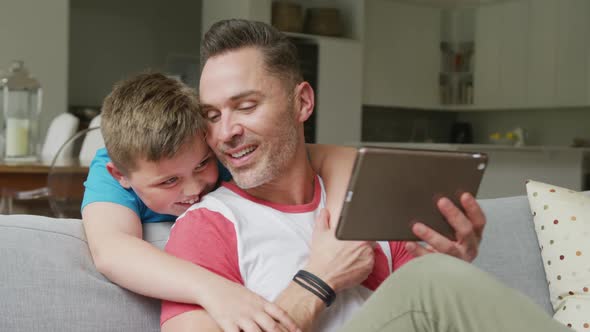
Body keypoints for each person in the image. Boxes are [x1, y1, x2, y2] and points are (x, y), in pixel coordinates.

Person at [159, 19, 566, 332]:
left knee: (435, 274)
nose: (225, 131)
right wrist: (319, 280)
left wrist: (455, 266)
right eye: (211, 115)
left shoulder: (371, 198)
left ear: (302, 102)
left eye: (245, 106)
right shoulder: (208, 226)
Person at [81, 72, 359, 332]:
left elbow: (339, 156)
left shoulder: (222, 153)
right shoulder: (118, 166)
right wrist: (215, 290)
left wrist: (338, 232)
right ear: (120, 176)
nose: (195, 188)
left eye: (203, 164)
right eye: (169, 181)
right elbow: (112, 250)